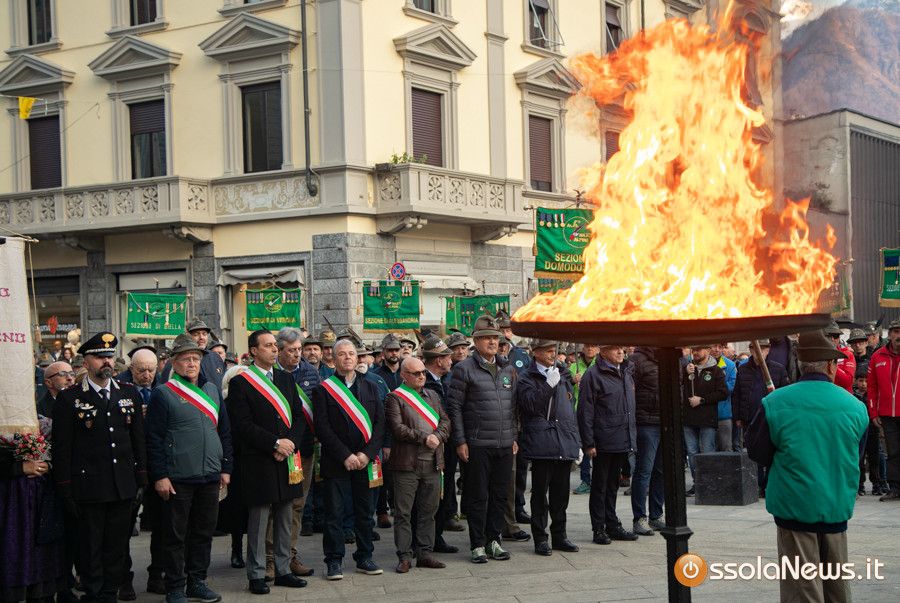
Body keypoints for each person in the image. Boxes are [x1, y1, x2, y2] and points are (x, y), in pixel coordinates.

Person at [747, 330, 868, 603]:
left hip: (794, 507)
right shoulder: (855, 406)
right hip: (835, 506)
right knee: (837, 587)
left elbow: (758, 452)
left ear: (801, 365)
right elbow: (856, 455)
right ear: (830, 366)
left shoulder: (775, 402)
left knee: (802, 589)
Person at [53, 332, 148, 603]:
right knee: (89, 547)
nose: (106, 361)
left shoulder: (128, 393)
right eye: (99, 357)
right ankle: (93, 594)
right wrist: (65, 488)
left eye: (109, 356)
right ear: (86, 362)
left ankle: (109, 593)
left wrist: (142, 478)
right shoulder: (70, 398)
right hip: (89, 487)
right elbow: (62, 448)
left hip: (122, 485)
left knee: (117, 547)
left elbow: (138, 439)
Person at [145, 333, 234, 603]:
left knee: (203, 533)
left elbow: (225, 432)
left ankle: (197, 582)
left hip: (210, 474)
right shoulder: (163, 393)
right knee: (175, 536)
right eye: (186, 359)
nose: (192, 363)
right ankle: (175, 586)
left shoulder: (212, 391)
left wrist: (226, 467)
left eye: (196, 358)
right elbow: (154, 439)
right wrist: (160, 476)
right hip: (178, 477)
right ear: (174, 363)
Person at [225, 330, 309, 595]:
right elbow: (242, 425)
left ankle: (283, 570)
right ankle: (257, 573)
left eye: (275, 345)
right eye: (268, 346)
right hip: (259, 459)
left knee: (285, 515)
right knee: (259, 520)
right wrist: (275, 443)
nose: (275, 350)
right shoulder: (241, 382)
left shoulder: (285, 379)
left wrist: (290, 443)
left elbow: (299, 417)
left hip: (287, 458)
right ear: (253, 351)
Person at [447, 315, 518, 564]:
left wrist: (514, 436)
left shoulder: (508, 368)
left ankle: (493, 540)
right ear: (475, 342)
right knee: (478, 496)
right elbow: (454, 408)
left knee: (500, 495)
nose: (492, 342)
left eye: (495, 338)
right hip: (477, 443)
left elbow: (513, 407)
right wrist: (460, 441)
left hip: (504, 443)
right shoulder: (464, 369)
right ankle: (477, 543)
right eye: (486, 338)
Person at [312, 339, 385, 580]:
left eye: (351, 354)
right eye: (342, 354)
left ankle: (365, 556)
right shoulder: (324, 389)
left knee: (365, 512)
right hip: (337, 461)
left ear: (357, 357)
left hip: (365, 461)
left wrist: (366, 453)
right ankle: (334, 560)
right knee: (334, 514)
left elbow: (379, 424)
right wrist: (345, 455)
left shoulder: (371, 386)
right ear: (334, 359)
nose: (347, 358)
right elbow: (322, 427)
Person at [385, 356, 451, 572]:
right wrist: (424, 438)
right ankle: (405, 556)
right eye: (416, 373)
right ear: (404, 375)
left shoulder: (432, 395)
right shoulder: (395, 398)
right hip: (407, 465)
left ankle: (425, 553)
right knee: (403, 513)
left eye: (423, 372)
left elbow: (445, 421)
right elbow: (397, 428)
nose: (422, 376)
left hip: (433, 463)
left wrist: (438, 437)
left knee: (428, 511)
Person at [517, 339, 580, 556]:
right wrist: (548, 385)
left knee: (561, 495)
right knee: (540, 495)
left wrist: (576, 440)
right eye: (548, 351)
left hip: (564, 439)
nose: (553, 355)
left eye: (554, 351)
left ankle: (560, 535)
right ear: (536, 353)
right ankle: (541, 537)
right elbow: (531, 406)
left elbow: (569, 409)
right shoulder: (527, 377)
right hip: (541, 441)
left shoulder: (562, 374)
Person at [269, 327, 319, 578]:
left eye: (299, 349)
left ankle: (289, 555)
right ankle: (270, 558)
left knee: (297, 504)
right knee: (274, 506)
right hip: (275, 451)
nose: (297, 354)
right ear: (279, 350)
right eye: (291, 350)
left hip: (303, 450)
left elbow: (313, 411)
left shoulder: (311, 373)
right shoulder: (268, 374)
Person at [0, 415, 67, 603]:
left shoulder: (47, 413)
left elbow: (65, 448)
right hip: (10, 498)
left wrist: (48, 464)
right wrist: (18, 468)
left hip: (40, 495)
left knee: (40, 554)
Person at [577, 345, 638, 544]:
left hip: (621, 437)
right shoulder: (593, 374)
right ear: (602, 352)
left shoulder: (626, 371)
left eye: (621, 348)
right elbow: (585, 411)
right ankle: (598, 528)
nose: (620, 352)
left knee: (613, 485)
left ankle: (612, 523)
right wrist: (588, 442)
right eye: (614, 349)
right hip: (603, 438)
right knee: (600, 485)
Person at [117, 346, 163, 599]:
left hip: (158, 465)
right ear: (131, 369)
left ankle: (157, 574)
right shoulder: (120, 389)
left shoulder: (163, 388)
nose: (147, 375)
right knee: (123, 527)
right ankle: (124, 579)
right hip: (130, 466)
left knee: (162, 525)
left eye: (151, 370)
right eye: (141, 370)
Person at [731, 341, 789, 496]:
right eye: (756, 348)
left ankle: (768, 484)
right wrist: (737, 416)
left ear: (768, 350)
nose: (759, 351)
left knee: (772, 451)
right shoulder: (742, 369)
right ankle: (757, 483)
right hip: (750, 417)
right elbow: (737, 394)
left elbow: (784, 394)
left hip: (771, 418)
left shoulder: (778, 369)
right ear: (751, 350)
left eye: (763, 348)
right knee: (753, 451)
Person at [681, 345, 728, 495]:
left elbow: (723, 393)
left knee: (707, 451)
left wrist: (702, 400)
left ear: (707, 351)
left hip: (707, 418)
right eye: (693, 350)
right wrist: (684, 373)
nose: (695, 353)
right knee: (692, 452)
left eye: (699, 350)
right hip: (689, 419)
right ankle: (698, 483)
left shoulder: (716, 371)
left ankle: (709, 483)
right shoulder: (688, 368)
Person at [628, 346, 665, 536]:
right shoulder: (637, 359)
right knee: (644, 471)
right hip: (646, 422)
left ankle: (656, 515)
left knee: (661, 471)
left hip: (666, 422)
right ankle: (639, 517)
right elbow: (630, 392)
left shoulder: (668, 355)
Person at [867, 319, 900, 501]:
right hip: (887, 414)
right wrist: (873, 412)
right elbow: (872, 387)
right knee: (892, 452)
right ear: (890, 334)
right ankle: (895, 488)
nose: (899, 335)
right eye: (896, 331)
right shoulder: (877, 356)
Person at [570, 344, 599, 495]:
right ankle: (586, 480)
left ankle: (599, 480)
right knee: (584, 445)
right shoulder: (573, 366)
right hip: (579, 411)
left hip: (598, 412)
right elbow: (565, 387)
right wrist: (572, 381)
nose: (590, 349)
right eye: (587, 346)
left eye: (593, 346)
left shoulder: (600, 365)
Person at [854, 364, 884, 496]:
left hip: (872, 429)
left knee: (874, 458)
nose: (864, 384)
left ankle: (877, 484)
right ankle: (859, 484)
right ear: (855, 381)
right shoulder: (853, 396)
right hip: (859, 431)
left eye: (866, 381)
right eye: (861, 380)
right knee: (859, 459)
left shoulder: (873, 395)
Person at [710, 343, 737, 452]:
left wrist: (712, 389)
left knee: (726, 449)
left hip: (723, 414)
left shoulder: (730, 365)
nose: (716, 349)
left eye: (720, 347)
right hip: (706, 415)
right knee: (708, 451)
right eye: (714, 346)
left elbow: (731, 387)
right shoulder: (701, 364)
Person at [825, 322, 856, 393]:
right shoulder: (818, 354)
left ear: (839, 338)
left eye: (835, 336)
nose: (832, 339)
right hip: (825, 394)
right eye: (829, 335)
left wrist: (831, 364)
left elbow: (847, 381)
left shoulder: (847, 354)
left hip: (843, 396)